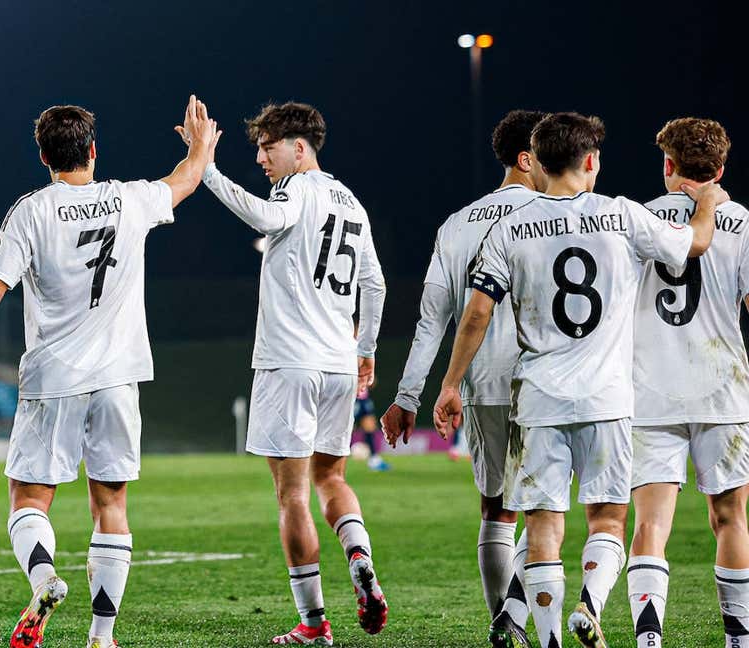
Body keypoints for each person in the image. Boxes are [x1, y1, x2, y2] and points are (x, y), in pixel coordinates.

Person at [0, 97, 218, 648]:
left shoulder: (31, 211)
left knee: (29, 499)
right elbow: (184, 180)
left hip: (53, 378)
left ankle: (44, 581)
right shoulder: (129, 199)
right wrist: (200, 147)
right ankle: (102, 637)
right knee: (111, 504)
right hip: (118, 378)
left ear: (44, 156)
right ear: (92, 150)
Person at [431, 112, 726, 648]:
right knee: (609, 520)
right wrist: (706, 199)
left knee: (542, 527)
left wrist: (451, 385)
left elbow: (476, 314)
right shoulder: (620, 215)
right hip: (607, 398)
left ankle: (546, 641)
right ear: (590, 161)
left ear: (538, 165)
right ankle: (590, 603)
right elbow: (696, 244)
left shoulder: (509, 229)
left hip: (538, 401)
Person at [193, 101, 387, 645]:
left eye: (267, 146)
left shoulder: (296, 188)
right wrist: (365, 349)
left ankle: (314, 623)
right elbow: (374, 285)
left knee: (292, 496)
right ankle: (360, 557)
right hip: (337, 366)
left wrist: (204, 165)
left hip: (289, 362)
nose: (260, 157)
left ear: (299, 147)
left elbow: (266, 217)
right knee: (334, 479)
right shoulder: (352, 202)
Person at [380, 109, 546, 644]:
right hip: (544, 382)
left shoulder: (456, 224)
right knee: (545, 512)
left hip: (478, 385)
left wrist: (409, 395)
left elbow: (432, 319)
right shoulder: (552, 213)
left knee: (496, 509)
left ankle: (503, 623)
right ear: (528, 157)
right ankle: (517, 622)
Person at [627, 117, 749, 648]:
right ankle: (739, 639)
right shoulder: (742, 221)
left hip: (651, 390)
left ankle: (650, 640)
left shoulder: (639, 219)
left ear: (668, 166)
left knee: (651, 524)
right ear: (720, 170)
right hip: (724, 387)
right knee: (730, 517)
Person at [354, 386, 389, 472]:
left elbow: (372, 381)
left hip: (363, 398)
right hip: (350, 397)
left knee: (370, 429)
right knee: (344, 429)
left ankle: (374, 460)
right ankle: (330, 460)